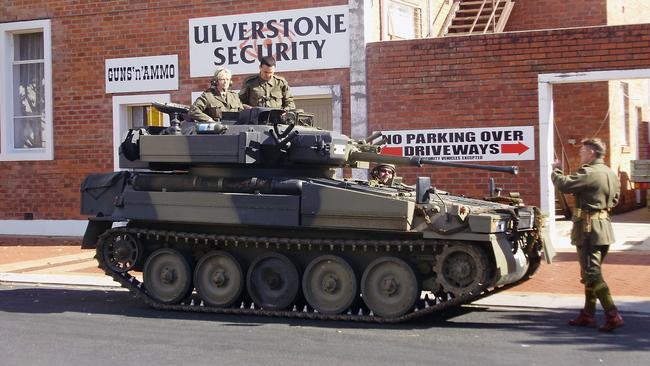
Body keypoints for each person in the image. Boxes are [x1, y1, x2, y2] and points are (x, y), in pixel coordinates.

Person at [551, 138, 624, 332]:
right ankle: (588, 314)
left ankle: (612, 314)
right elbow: (615, 199)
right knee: (590, 272)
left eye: (583, 151)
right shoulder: (609, 173)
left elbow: (564, 185)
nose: (580, 154)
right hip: (604, 228)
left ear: (591, 152)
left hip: (589, 230)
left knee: (592, 273)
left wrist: (557, 170)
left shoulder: (590, 172)